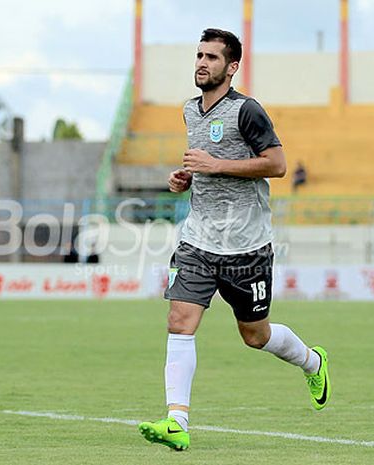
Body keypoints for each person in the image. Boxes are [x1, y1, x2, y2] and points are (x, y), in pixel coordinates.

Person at [138, 29, 331, 452]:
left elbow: (277, 165)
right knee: (179, 322)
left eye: (211, 57)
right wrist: (186, 178)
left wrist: (217, 165)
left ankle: (312, 362)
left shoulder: (248, 111)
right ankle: (177, 421)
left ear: (232, 67)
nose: (201, 63)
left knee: (255, 336)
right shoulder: (190, 111)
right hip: (199, 241)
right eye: (199, 55)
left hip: (247, 246)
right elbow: (206, 165)